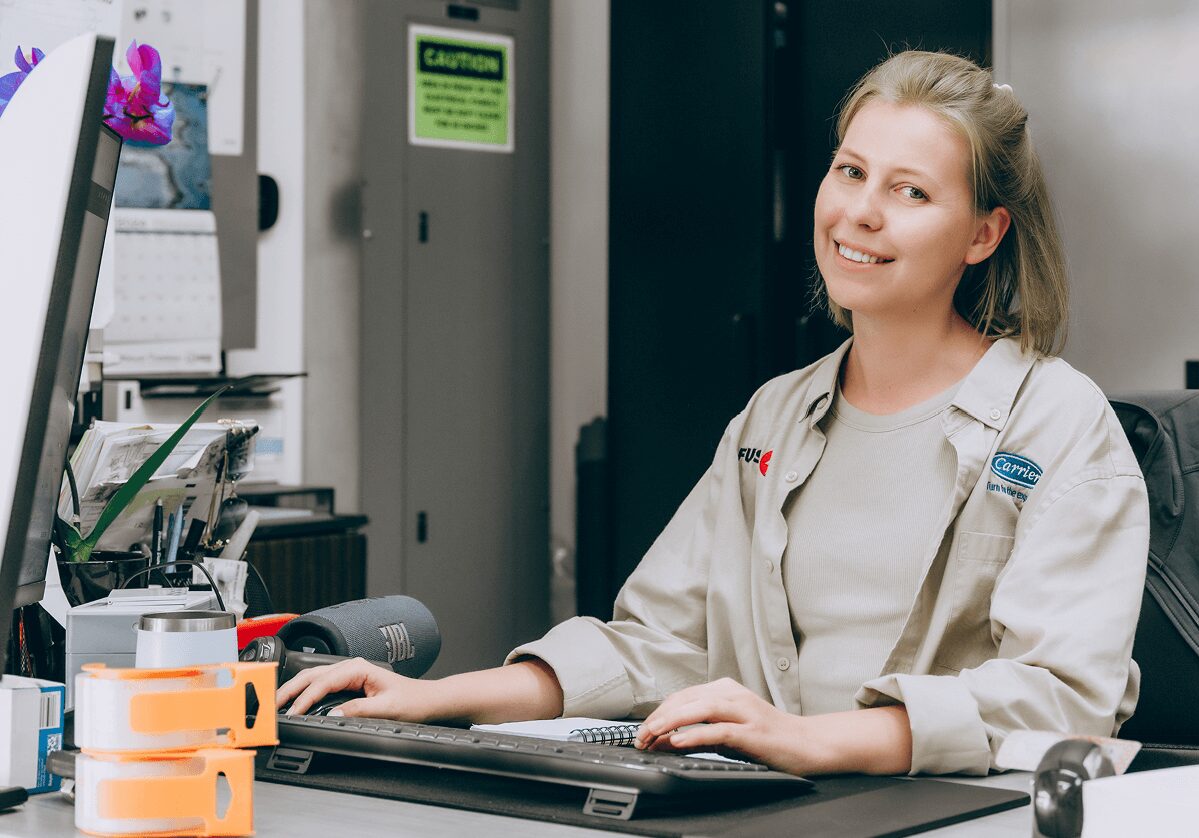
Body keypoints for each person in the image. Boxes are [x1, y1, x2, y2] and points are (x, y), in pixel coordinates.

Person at [278, 50, 1148, 778]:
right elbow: (656, 642)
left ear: (983, 235)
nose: (861, 212)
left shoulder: (1058, 425)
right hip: (771, 810)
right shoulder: (776, 418)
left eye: (911, 193)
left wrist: (810, 742)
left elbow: (1064, 698)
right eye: (850, 171)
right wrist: (434, 699)